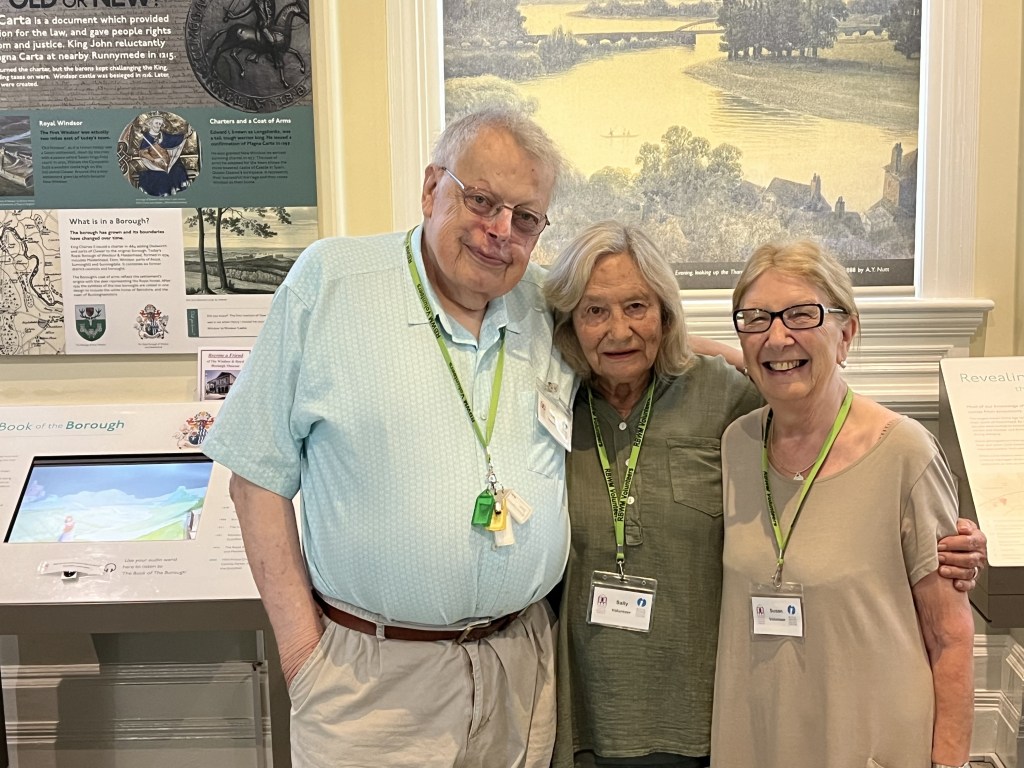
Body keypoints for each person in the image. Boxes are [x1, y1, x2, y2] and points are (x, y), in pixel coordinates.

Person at [201, 108, 574, 768]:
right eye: (482, 201)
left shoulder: (546, 305)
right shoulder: (333, 282)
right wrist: (302, 656)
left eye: (525, 219)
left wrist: (728, 354)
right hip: (370, 684)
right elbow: (255, 478)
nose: (500, 233)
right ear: (433, 189)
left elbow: (642, 341)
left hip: (522, 670)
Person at [542, 222, 985, 768]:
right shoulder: (559, 402)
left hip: (740, 723)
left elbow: (947, 632)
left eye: (638, 307)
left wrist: (950, 541)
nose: (619, 330)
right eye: (594, 311)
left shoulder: (742, 413)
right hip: (610, 713)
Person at [712, 239, 975, 767]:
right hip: (757, 740)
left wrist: (950, 762)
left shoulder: (904, 452)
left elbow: (950, 636)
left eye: (802, 315)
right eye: (756, 319)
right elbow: (666, 350)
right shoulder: (735, 445)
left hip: (869, 747)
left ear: (847, 332)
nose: (777, 336)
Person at [136, 115, 190, 197]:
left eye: (160, 124)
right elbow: (143, 153)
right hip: (155, 166)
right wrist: (154, 160)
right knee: (161, 176)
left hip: (169, 164)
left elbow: (175, 139)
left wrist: (187, 134)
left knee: (178, 170)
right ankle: (164, 194)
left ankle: (176, 193)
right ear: (150, 124)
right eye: (156, 123)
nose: (158, 126)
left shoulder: (164, 135)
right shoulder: (146, 138)